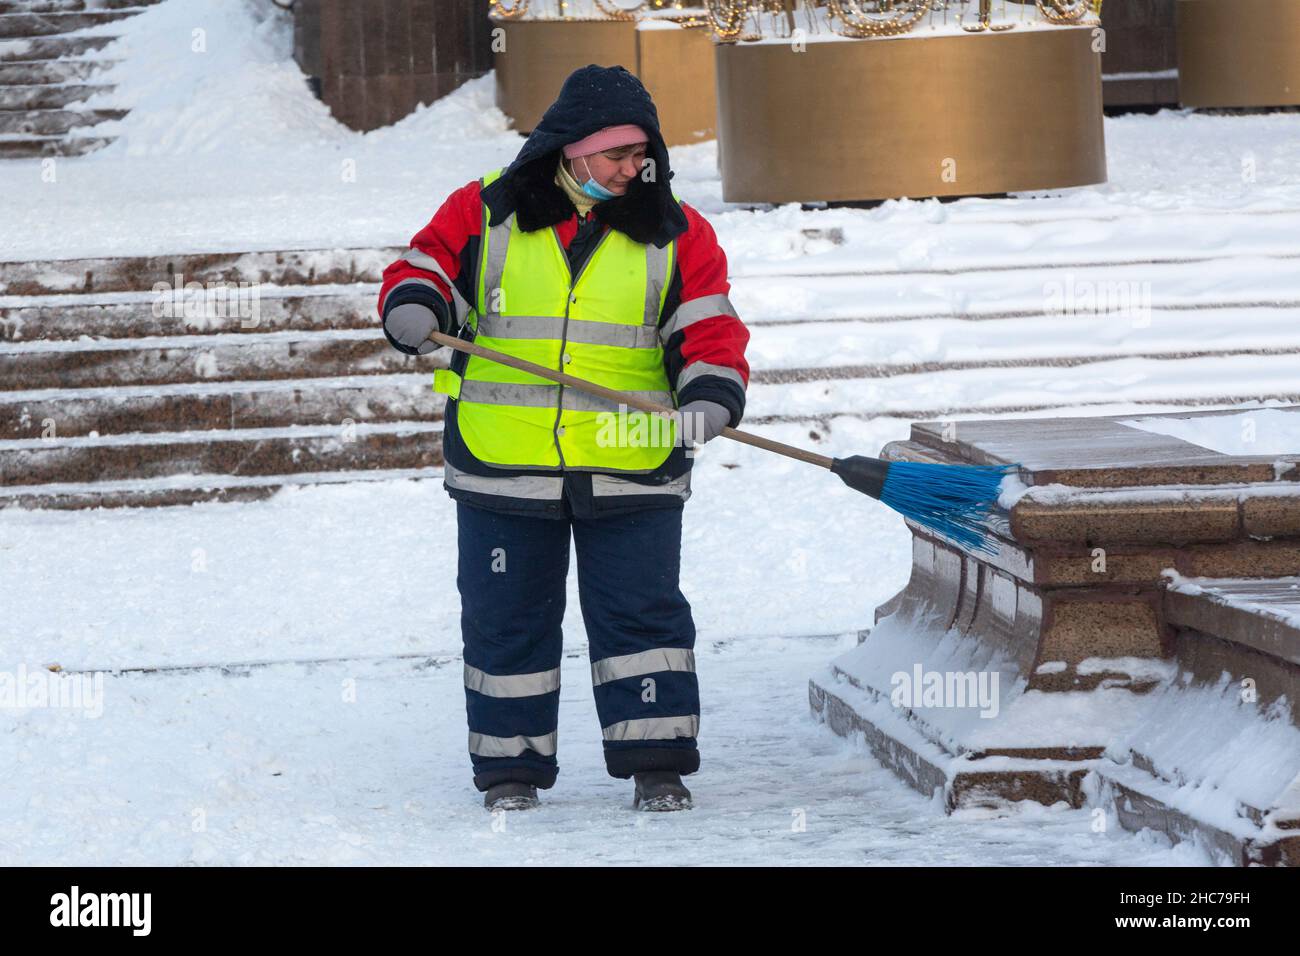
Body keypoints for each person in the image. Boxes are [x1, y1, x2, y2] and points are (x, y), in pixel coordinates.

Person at [376, 64, 750, 812]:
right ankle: (509, 771)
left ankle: (658, 763)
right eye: (616, 154)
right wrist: (414, 304)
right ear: (573, 148)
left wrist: (711, 389)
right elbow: (426, 267)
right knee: (506, 620)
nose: (630, 168)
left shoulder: (675, 229)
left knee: (642, 618)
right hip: (504, 462)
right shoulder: (487, 209)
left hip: (630, 460)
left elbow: (707, 324)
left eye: (641, 155)